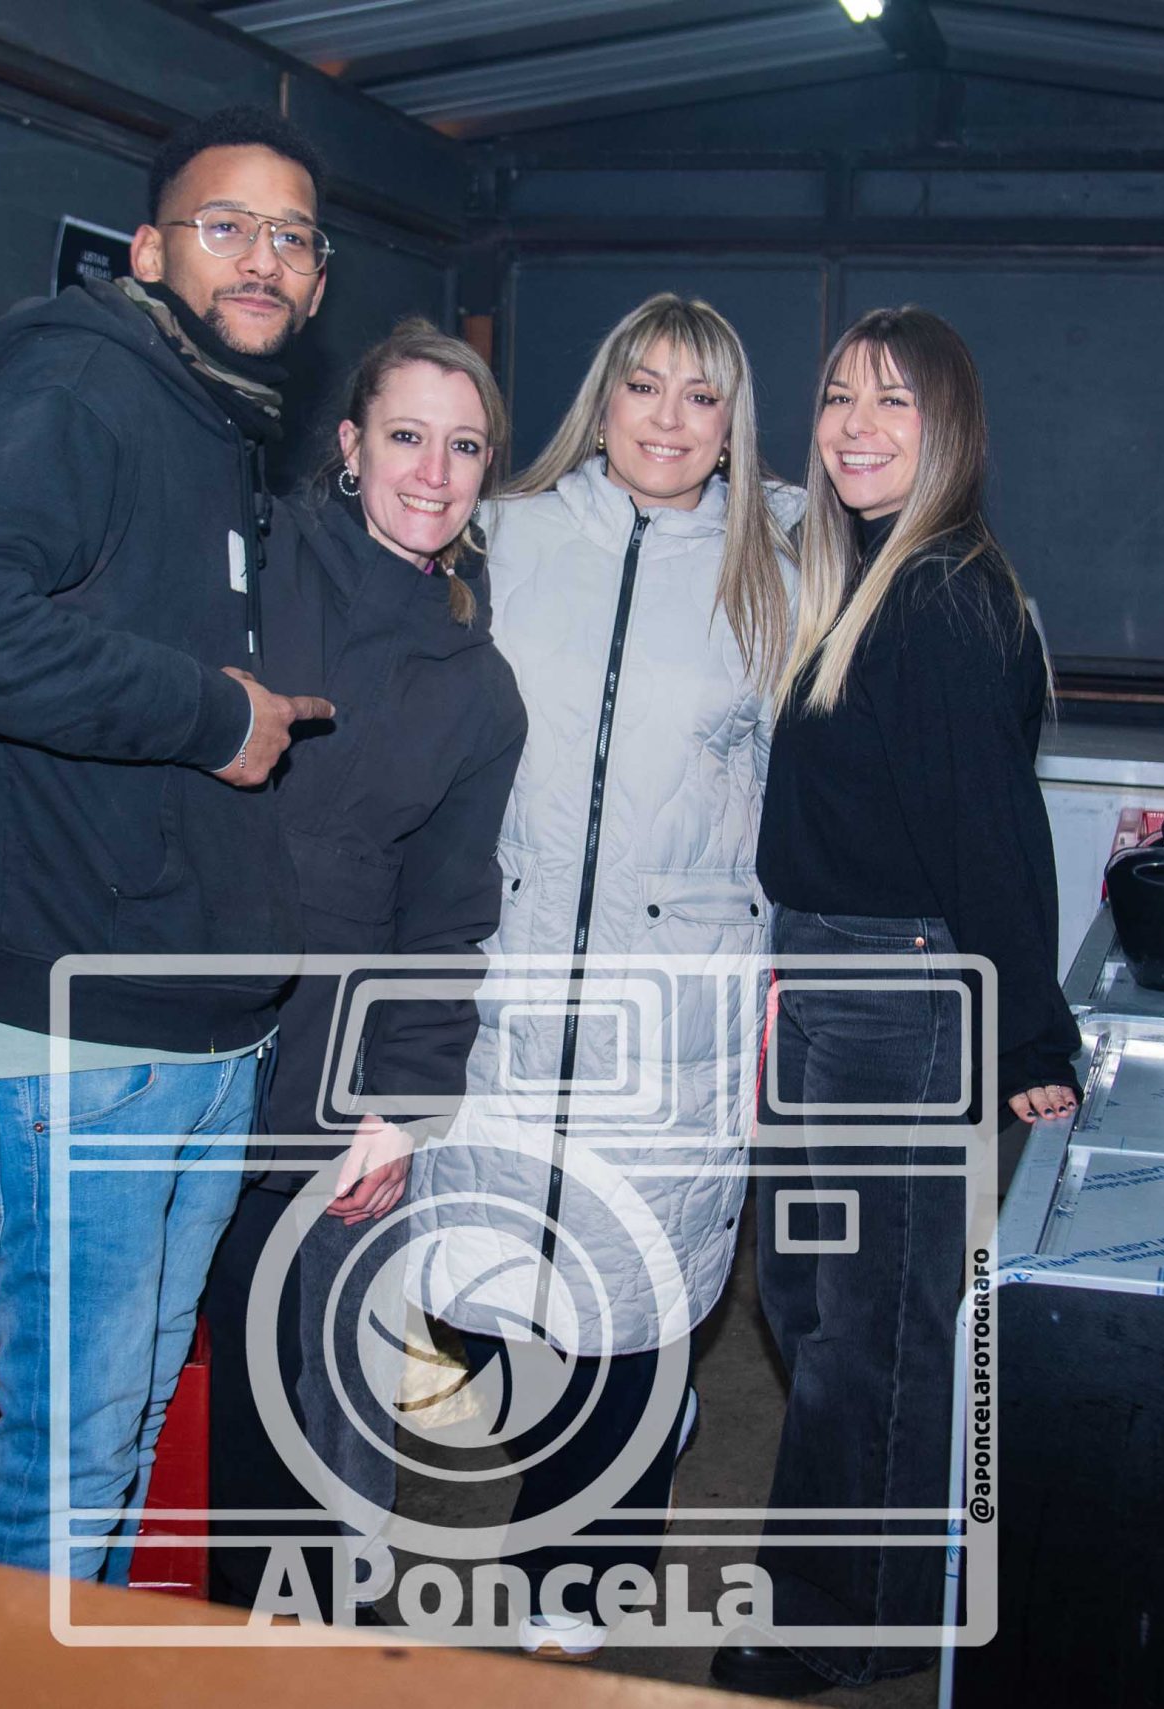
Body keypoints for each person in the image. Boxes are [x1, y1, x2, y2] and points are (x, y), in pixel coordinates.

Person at [0, 105, 336, 1582]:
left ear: (319, 280)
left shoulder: (216, 419)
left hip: (190, 1021)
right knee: (68, 1454)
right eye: (225, 226)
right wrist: (208, 713)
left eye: (292, 238)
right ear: (147, 250)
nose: (262, 259)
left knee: (121, 1431)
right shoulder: (89, 386)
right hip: (80, 1031)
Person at [402, 292, 796, 1659]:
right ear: (603, 397)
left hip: (673, 994)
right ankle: (614, 1440)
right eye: (645, 386)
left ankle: (584, 1572)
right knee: (486, 1285)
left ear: (733, 423)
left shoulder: (781, 564)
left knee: (635, 1296)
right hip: (508, 974)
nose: (669, 420)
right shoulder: (506, 533)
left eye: (703, 395)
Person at [713, 306, 1081, 1697]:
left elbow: (995, 831)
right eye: (838, 398)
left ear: (951, 429)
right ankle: (875, 1571)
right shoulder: (864, 571)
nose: (856, 427)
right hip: (824, 974)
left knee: (873, 1325)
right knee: (810, 1297)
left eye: (894, 402)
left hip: (902, 992)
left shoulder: (942, 596)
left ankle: (842, 1616)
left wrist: (1029, 1029)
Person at [202, 322, 527, 1616]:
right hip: (178, 1026)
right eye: (406, 436)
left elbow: (447, 920)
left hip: (331, 1073)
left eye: (464, 447)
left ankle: (303, 1637)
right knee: (159, 1376)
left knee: (300, 1391)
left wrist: (399, 1108)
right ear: (349, 445)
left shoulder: (477, 689)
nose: (433, 474)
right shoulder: (247, 566)